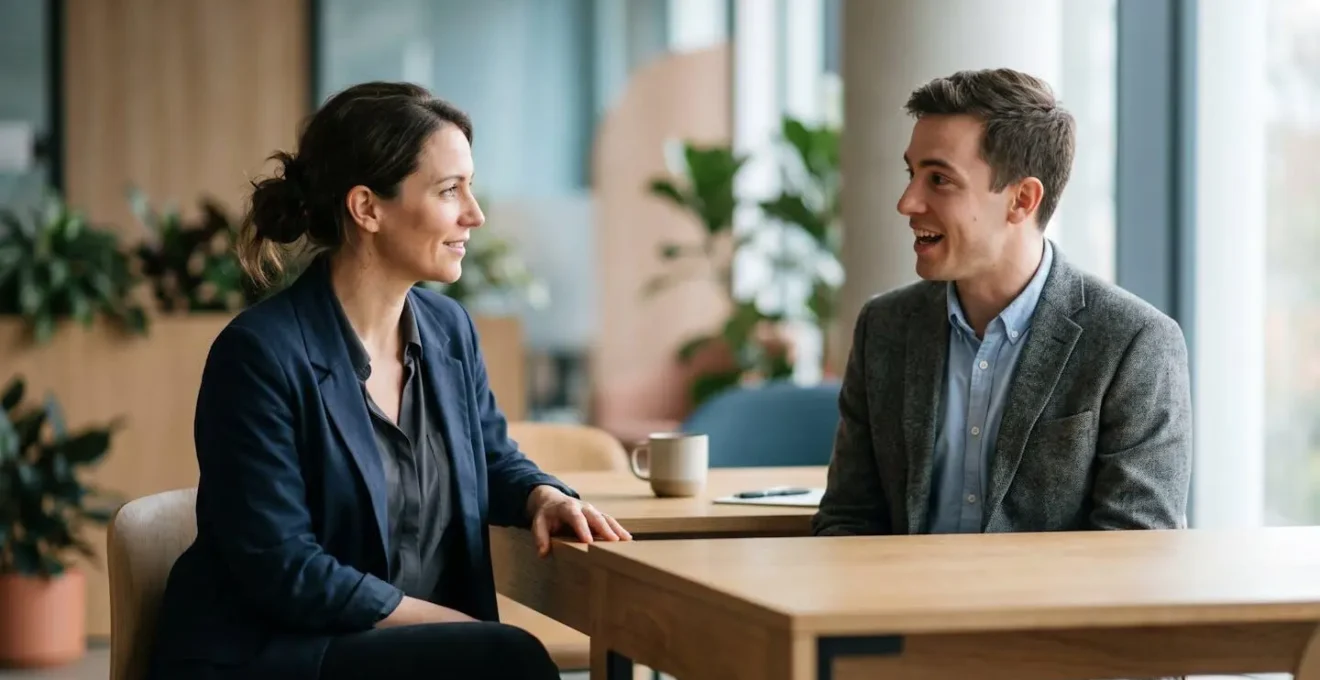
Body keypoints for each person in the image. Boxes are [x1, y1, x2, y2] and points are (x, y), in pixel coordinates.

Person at [148, 82, 631, 680]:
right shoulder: (258, 355)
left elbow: (490, 455)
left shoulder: (449, 330)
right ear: (367, 208)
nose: (474, 214)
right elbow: (284, 567)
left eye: (469, 188)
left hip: (397, 650)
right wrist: (450, 626)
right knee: (509, 659)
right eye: (450, 190)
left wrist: (542, 494)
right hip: (276, 652)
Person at [812, 68, 1192, 537]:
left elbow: (1136, 548)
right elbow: (849, 519)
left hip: (1052, 612)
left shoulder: (1134, 343)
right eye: (912, 174)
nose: (907, 202)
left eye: (939, 179)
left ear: (1022, 199)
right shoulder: (884, 327)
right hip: (899, 607)